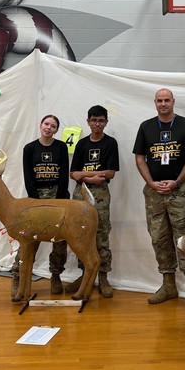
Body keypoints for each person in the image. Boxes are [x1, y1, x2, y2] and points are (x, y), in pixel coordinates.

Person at [133, 87, 185, 311]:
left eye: (167, 100)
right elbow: (140, 158)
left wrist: (178, 181)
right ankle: (168, 285)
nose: (163, 104)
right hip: (154, 192)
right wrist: (151, 183)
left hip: (179, 191)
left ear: (173, 102)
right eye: (159, 101)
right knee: (159, 238)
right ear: (154, 103)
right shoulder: (146, 127)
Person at [67, 105, 119, 298]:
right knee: (81, 236)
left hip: (101, 194)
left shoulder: (110, 143)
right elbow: (74, 173)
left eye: (101, 120)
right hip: (81, 194)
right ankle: (84, 275)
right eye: (94, 120)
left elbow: (110, 172)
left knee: (101, 233)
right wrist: (91, 177)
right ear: (88, 121)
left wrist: (85, 174)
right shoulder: (81, 144)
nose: (97, 124)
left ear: (106, 122)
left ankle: (103, 277)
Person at [17, 114, 70, 296]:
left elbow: (64, 175)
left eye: (53, 126)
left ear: (56, 130)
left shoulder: (61, 147)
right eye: (46, 124)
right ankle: (19, 277)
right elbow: (28, 177)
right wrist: (35, 202)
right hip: (37, 198)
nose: (49, 127)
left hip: (58, 198)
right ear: (40, 125)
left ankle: (55, 275)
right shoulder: (29, 148)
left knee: (60, 240)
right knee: (30, 239)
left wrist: (59, 201)